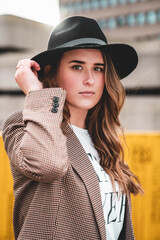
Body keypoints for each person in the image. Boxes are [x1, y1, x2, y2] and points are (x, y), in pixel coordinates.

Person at [2, 16, 143, 240]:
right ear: (51, 71)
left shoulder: (103, 140)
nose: (89, 79)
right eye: (77, 67)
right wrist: (36, 94)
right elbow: (48, 166)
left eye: (98, 68)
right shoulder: (21, 124)